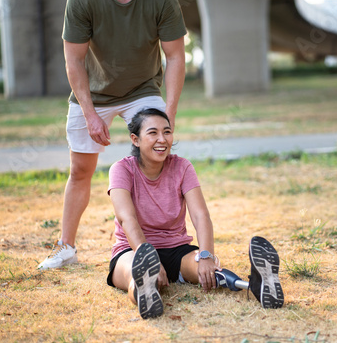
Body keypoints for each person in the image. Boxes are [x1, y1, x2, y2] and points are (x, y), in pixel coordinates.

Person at [38, 0, 186, 269]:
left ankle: (164, 242)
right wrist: (90, 114)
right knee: (80, 170)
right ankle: (66, 247)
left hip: (142, 89)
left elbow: (175, 55)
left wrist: (170, 112)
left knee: (158, 159)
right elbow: (74, 60)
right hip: (92, 93)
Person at [106, 109, 284, 319]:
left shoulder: (182, 167)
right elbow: (127, 218)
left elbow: (201, 215)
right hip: (133, 250)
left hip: (177, 250)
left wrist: (207, 255)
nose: (162, 139)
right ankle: (145, 287)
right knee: (137, 276)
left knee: (208, 272)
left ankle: (256, 285)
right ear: (135, 139)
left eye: (167, 132)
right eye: (153, 133)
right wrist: (147, 255)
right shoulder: (121, 169)